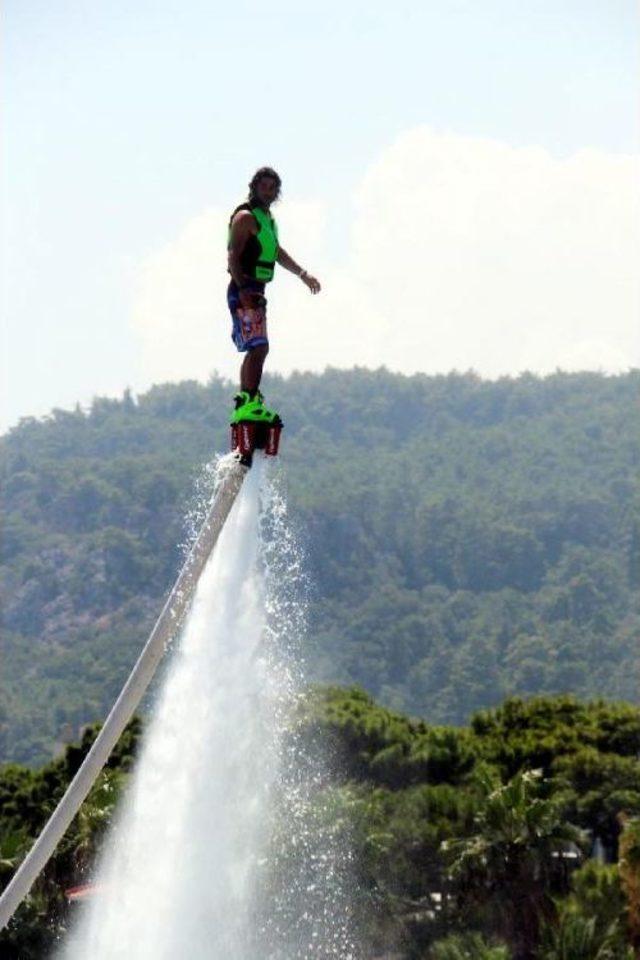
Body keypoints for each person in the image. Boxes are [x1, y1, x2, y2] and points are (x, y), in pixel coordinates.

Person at [227, 167, 321, 415]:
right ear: (254, 187)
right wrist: (243, 290)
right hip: (243, 289)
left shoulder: (267, 220)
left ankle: (248, 399)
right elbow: (232, 257)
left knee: (257, 346)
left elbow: (276, 251)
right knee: (259, 347)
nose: (268, 192)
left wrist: (303, 274)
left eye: (272, 188)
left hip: (257, 291)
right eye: (264, 187)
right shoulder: (245, 217)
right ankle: (248, 401)